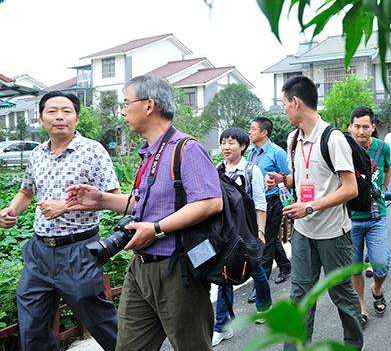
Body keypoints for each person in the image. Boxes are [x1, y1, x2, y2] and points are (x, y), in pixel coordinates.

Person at [66, 75, 223, 351]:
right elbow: (143, 205)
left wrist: (157, 228)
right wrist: (101, 199)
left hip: (177, 269)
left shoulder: (186, 149)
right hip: (140, 269)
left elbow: (210, 202)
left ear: (149, 105)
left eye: (126, 103)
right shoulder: (149, 154)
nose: (123, 111)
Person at [0, 91, 119, 351]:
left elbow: (114, 197)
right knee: (32, 326)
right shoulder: (37, 154)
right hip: (39, 252)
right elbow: (26, 191)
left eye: (66, 111)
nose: (59, 117)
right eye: (52, 111)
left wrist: (65, 206)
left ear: (76, 117)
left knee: (100, 320)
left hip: (79, 251)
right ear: (41, 118)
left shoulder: (92, 151)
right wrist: (11, 211)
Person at [265, 76, 363, 350]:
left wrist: (310, 206)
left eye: (284, 104)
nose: (283, 110)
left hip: (334, 234)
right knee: (300, 297)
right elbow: (304, 179)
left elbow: (350, 188)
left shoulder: (333, 139)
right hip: (303, 233)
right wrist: (282, 180)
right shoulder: (293, 139)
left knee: (343, 295)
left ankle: (353, 345)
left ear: (296, 103)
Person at [212, 127, 272, 346]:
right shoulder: (218, 170)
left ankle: (265, 306)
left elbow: (260, 203)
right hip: (225, 235)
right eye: (224, 142)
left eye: (231, 143)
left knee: (256, 271)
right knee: (223, 276)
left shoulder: (251, 170)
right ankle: (221, 326)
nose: (226, 147)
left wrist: (261, 232)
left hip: (246, 232)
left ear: (243, 146)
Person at [347, 107, 391, 323]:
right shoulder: (344, 148)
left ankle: (377, 288)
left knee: (381, 264)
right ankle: (362, 306)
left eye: (366, 126)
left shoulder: (382, 147)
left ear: (373, 127)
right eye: (357, 126)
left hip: (377, 216)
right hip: (351, 218)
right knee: (355, 265)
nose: (361, 131)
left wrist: (381, 190)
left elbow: (388, 170)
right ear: (350, 127)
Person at [248, 117, 292, 285]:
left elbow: (289, 178)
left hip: (274, 202)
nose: (249, 132)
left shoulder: (277, 152)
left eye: (253, 129)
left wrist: (287, 203)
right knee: (270, 238)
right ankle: (285, 266)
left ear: (264, 132)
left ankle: (261, 284)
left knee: (265, 241)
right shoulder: (251, 152)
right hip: (257, 203)